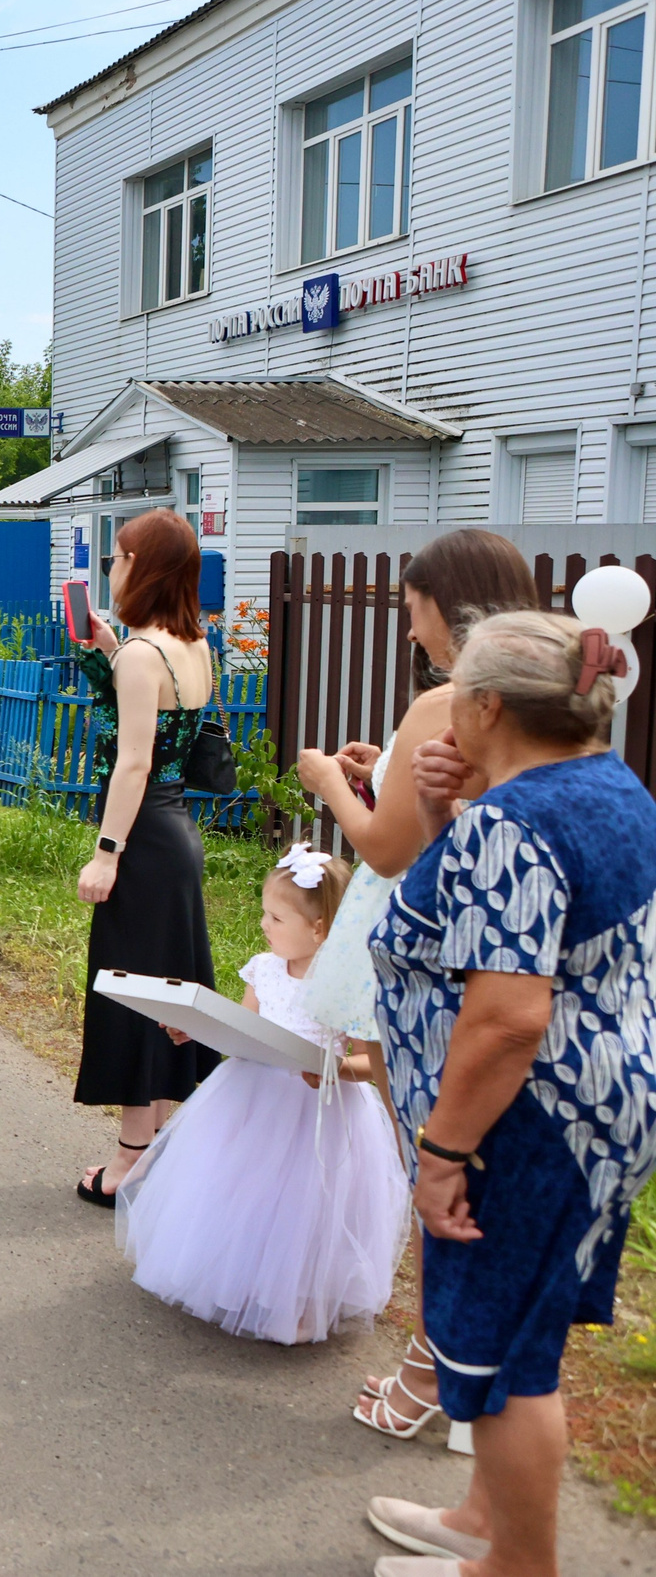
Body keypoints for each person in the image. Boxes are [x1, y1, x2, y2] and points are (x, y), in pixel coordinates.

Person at [359, 611, 656, 1577]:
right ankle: (486, 1518)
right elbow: (517, 924)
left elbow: (507, 1016)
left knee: (503, 1362)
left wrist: (443, 1154)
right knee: (523, 1331)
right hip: (601, 1104)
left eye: (458, 702)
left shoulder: (515, 823)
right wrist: (452, 816)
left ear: (487, 705)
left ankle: (516, 1566)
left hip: (523, 1123)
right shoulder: (610, 786)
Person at [283, 529, 537, 1441]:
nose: (407, 623)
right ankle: (473, 1366)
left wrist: (325, 780)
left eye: (412, 604)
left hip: (429, 965)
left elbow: (388, 847)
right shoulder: (532, 698)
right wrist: (383, 769)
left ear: (448, 603)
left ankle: (437, 1362)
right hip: (495, 954)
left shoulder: (449, 696)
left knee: (432, 1162)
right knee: (471, 1165)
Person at [114, 846, 410, 1345]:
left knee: (303, 1208)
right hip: (249, 1100)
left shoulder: (346, 984)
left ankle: (297, 1299)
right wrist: (197, 1029)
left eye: (275, 917)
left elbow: (370, 1061)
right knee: (235, 1190)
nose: (263, 925)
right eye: (263, 913)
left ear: (318, 929)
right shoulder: (264, 968)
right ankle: (236, 1278)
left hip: (317, 1113)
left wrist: (335, 1068)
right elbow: (247, 1030)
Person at [73, 509, 217, 1204]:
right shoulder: (195, 645)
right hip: (177, 828)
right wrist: (107, 648)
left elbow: (132, 764)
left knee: (132, 994)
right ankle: (155, 1148)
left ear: (139, 563)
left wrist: (106, 853)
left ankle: (130, 1161)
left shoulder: (141, 654)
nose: (111, 566)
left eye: (118, 555)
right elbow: (163, 741)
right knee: (165, 995)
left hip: (140, 835)